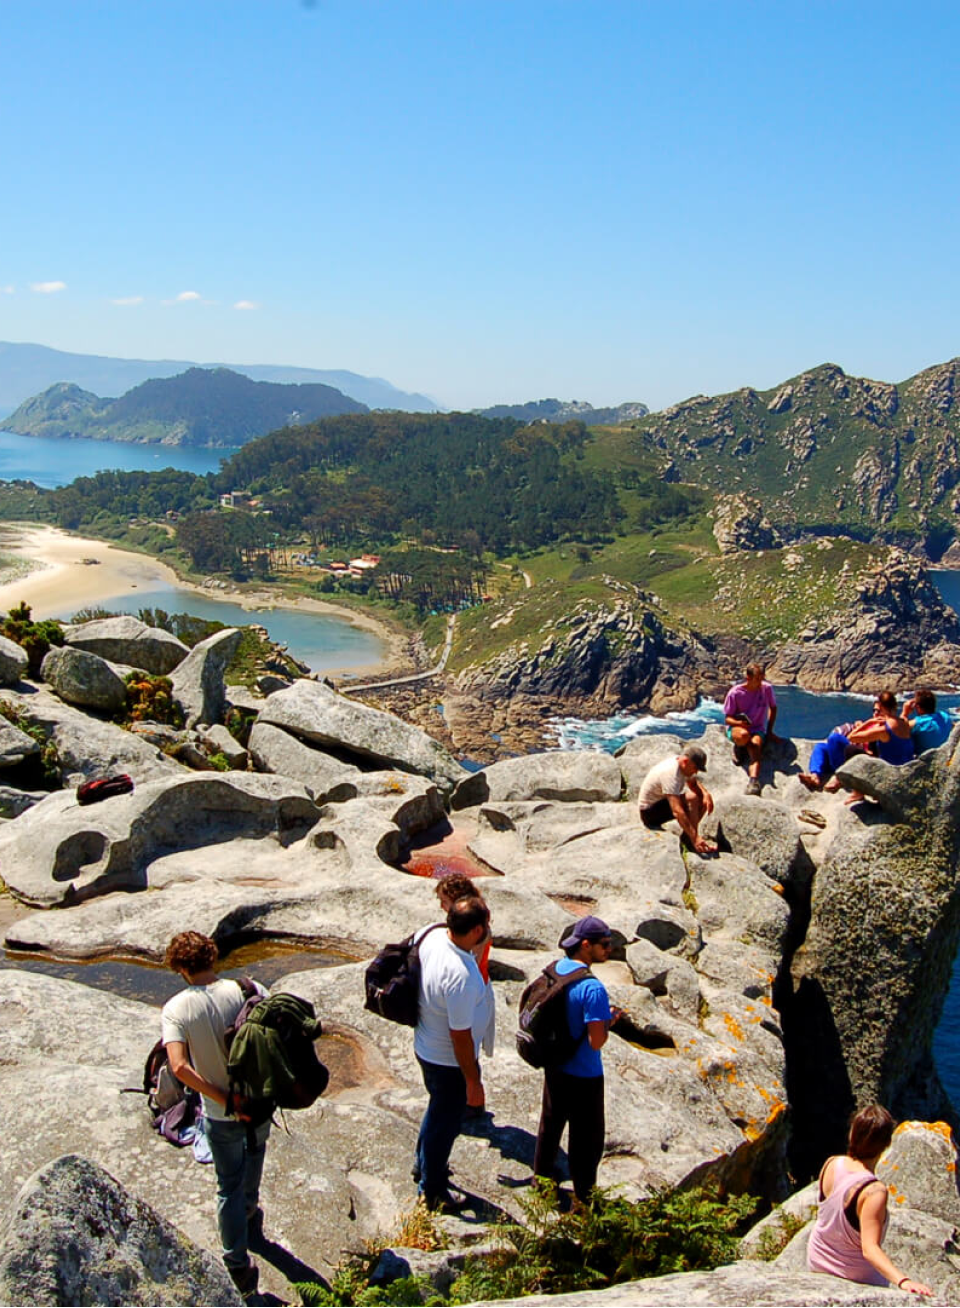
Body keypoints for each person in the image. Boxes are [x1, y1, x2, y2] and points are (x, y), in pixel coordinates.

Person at [161, 932, 270, 1302]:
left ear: (179, 967)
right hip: (257, 1101)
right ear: (212, 956)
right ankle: (252, 1211)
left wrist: (221, 1096)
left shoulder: (177, 1008)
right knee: (255, 1156)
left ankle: (237, 1261)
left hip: (220, 1110)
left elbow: (178, 1066)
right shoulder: (249, 987)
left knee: (227, 1182)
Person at [414, 895, 491, 1212]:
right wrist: (472, 1079)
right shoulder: (461, 974)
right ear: (475, 930)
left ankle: (422, 1167)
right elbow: (459, 1036)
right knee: (445, 1125)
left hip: (425, 1044)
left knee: (436, 1113)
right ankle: (432, 1190)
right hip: (447, 1060)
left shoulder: (432, 937)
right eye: (486, 925)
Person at [532, 916, 617, 1205]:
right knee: (586, 1141)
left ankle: (542, 1185)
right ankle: (585, 1197)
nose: (609, 949)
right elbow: (596, 1041)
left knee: (550, 1127)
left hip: (555, 1064)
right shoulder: (592, 988)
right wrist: (608, 1022)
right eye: (604, 945)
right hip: (584, 1074)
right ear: (585, 945)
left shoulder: (555, 970)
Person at [807, 1104, 933, 1296]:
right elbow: (869, 1248)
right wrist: (903, 1281)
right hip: (854, 1275)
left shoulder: (832, 1163)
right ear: (887, 1144)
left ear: (852, 1134)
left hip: (817, 1260)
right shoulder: (874, 1191)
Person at [637, 743, 717, 855]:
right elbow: (677, 811)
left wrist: (705, 794)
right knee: (692, 798)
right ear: (686, 761)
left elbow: (693, 784)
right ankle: (693, 840)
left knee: (701, 799)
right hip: (649, 812)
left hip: (661, 803)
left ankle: (688, 838)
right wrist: (696, 837)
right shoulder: (670, 773)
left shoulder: (683, 766)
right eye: (695, 768)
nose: (696, 772)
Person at [842, 693, 914, 804]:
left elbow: (852, 737)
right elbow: (902, 717)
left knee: (851, 750)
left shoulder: (884, 729)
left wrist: (869, 722)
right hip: (906, 771)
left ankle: (858, 792)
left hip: (889, 773)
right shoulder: (904, 723)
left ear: (881, 707)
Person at [724, 663, 779, 796]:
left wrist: (769, 731)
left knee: (756, 746)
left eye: (762, 678)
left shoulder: (767, 689)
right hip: (739, 728)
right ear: (748, 677)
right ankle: (740, 746)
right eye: (757, 679)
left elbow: (773, 708)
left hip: (757, 729)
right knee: (743, 735)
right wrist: (739, 722)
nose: (761, 682)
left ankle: (753, 781)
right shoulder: (735, 693)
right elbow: (727, 718)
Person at [904, 689, 954, 755]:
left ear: (918, 707)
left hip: (925, 761)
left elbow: (897, 731)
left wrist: (905, 713)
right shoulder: (945, 717)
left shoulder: (917, 723)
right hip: (944, 756)